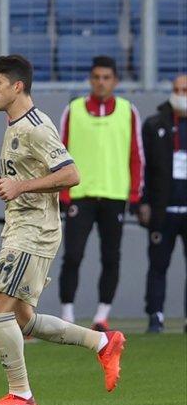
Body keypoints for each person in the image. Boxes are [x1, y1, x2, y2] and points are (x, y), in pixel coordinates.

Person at [0, 55, 125, 405]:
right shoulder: (15, 125)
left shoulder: (36, 127)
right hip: (22, 225)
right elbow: (28, 176)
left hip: (33, 230)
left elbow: (71, 174)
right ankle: (103, 343)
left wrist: (20, 186)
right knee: (23, 318)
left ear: (17, 86)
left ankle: (20, 394)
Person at [57, 56, 144, 330]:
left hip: (114, 196)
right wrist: (63, 192)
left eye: (106, 77)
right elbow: (59, 153)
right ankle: (67, 314)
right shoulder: (73, 110)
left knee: (111, 257)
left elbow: (136, 155)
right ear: (90, 79)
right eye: (96, 77)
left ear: (115, 81)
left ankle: (101, 316)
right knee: (72, 255)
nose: (101, 82)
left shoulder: (128, 111)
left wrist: (134, 194)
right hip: (79, 196)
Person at [140, 74, 187, 333]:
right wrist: (143, 202)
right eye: (177, 89)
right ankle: (155, 316)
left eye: (185, 90)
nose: (180, 94)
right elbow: (145, 167)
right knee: (158, 265)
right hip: (163, 210)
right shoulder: (154, 124)